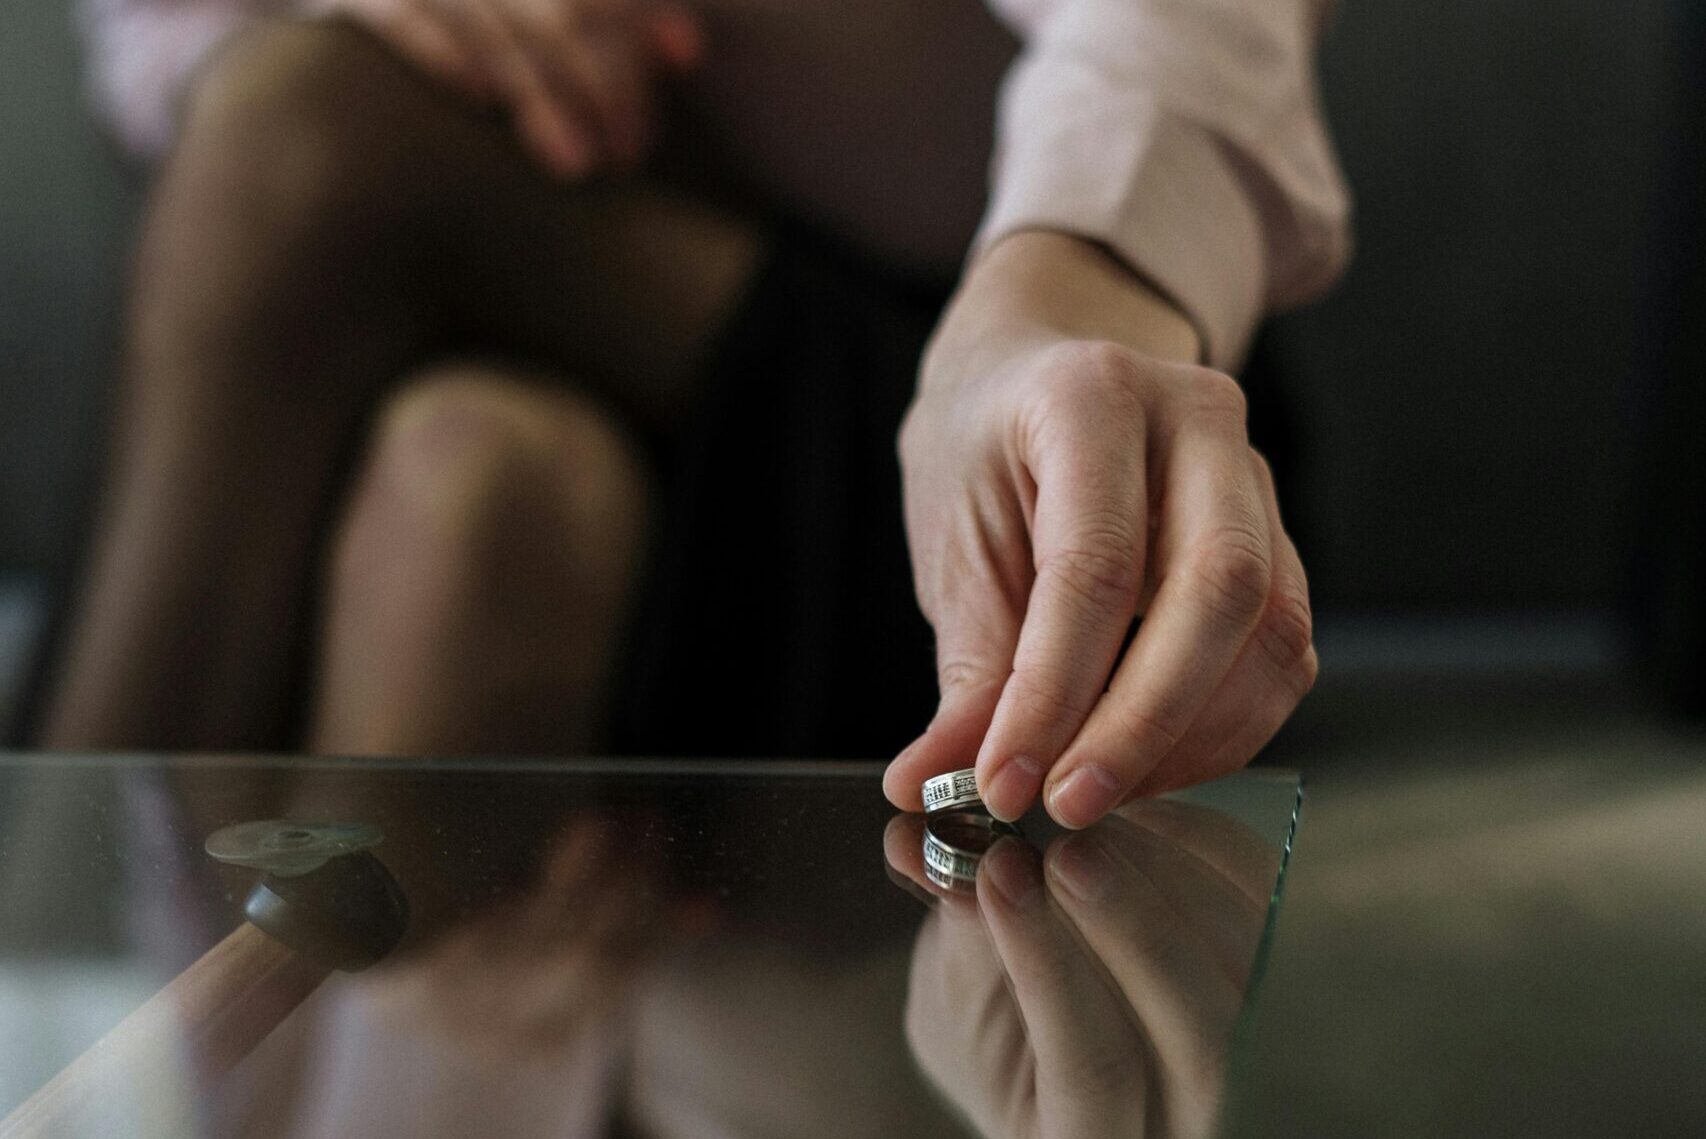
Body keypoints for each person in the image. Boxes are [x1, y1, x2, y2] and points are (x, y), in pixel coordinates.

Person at [40, 0, 1350, 830]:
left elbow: (1183, 27)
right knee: (474, 483)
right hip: (508, 288)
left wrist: (1067, 287)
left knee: (301, 134)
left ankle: (42, 962)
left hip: (937, 393)